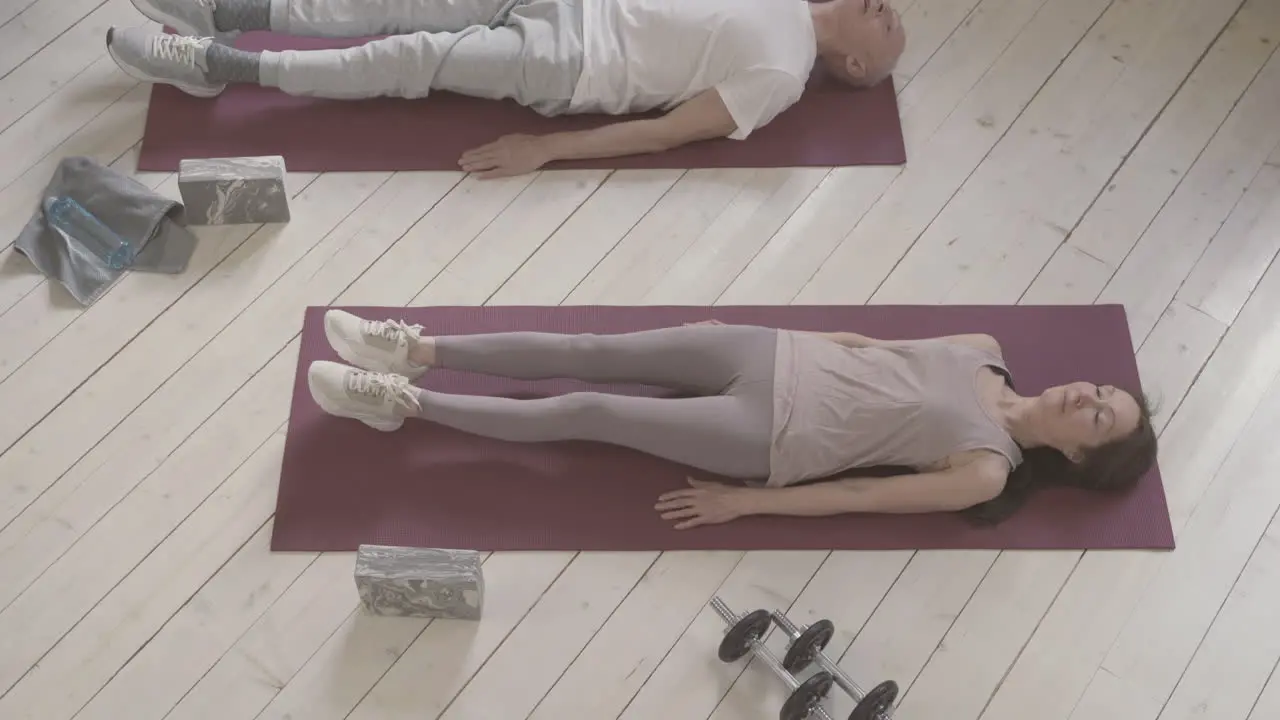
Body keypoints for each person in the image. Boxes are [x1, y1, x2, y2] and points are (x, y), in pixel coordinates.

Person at [306, 309, 1159, 529]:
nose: (1086, 399)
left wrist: (748, 504)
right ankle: (415, 349)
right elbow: (867, 342)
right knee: (596, 352)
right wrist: (758, 334)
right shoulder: (983, 344)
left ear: (1079, 459)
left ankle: (401, 406)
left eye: (1097, 420)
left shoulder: (986, 467)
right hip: (767, 352)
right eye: (1101, 393)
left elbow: (860, 499)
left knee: (589, 409)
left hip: (773, 437)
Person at [106, 0, 907, 177]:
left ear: (861, 68)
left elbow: (670, 132)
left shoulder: (782, 75)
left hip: (571, 61)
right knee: (390, 2)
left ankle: (217, 67)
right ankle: (217, 9)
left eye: (893, 27)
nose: (889, 10)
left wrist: (549, 148)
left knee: (406, 57)